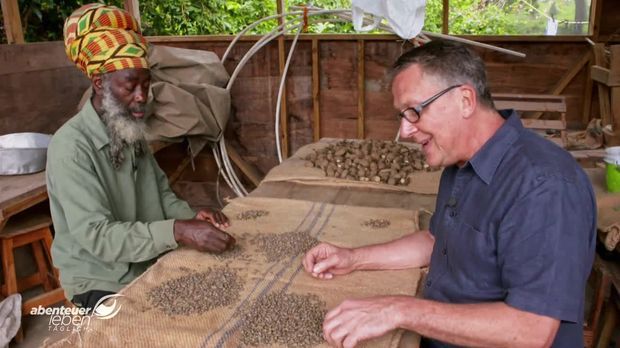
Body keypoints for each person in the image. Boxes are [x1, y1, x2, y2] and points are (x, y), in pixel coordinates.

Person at [303, 40, 596, 348]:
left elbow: (531, 331)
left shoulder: (544, 187)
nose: (405, 131)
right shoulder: (460, 163)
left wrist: (399, 309)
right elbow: (438, 242)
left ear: (465, 100)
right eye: (401, 115)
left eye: (414, 111)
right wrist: (353, 259)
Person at [46, 3, 235, 310]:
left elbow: (159, 193)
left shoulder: (128, 128)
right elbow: (97, 236)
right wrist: (177, 230)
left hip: (143, 260)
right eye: (130, 86)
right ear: (99, 83)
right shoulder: (71, 147)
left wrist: (188, 215)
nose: (141, 97)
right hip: (99, 278)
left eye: (146, 85)